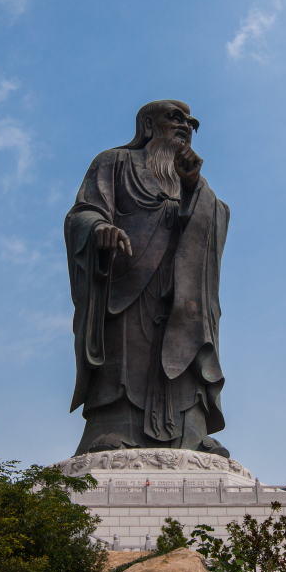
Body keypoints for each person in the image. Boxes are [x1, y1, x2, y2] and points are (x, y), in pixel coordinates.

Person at [64, 100, 230, 457]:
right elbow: (83, 212)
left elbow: (216, 217)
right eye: (175, 118)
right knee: (124, 356)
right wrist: (99, 228)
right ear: (149, 125)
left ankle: (192, 432)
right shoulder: (114, 163)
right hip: (126, 282)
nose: (185, 126)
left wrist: (193, 189)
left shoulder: (195, 183)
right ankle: (111, 425)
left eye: (190, 122)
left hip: (181, 290)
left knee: (186, 346)